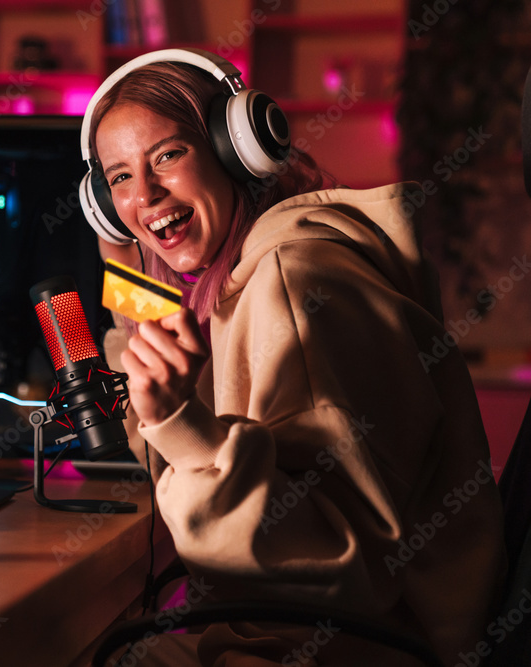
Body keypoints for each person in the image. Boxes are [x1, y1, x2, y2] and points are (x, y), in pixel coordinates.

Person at [83, 50, 507, 665]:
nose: (143, 194)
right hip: (292, 634)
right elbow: (162, 461)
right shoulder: (235, 282)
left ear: (238, 147)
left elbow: (340, 561)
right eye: (119, 178)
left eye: (167, 156)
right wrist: (128, 275)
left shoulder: (300, 281)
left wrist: (185, 428)